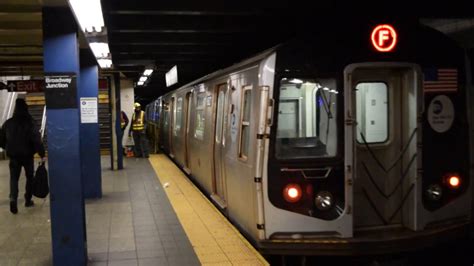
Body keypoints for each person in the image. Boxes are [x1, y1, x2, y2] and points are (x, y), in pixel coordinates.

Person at [0, 98, 46, 214]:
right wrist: (41, 153)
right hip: (27, 155)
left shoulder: (8, 123)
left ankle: (13, 199)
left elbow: (0, 139)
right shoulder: (30, 122)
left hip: (14, 156)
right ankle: (27, 199)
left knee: (13, 178)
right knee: (29, 177)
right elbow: (36, 139)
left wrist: (8, 148)